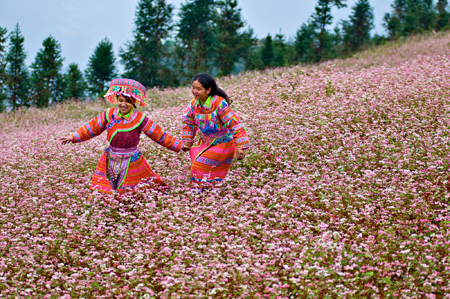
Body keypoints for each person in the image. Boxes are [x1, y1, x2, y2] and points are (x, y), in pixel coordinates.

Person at [61, 78, 184, 194]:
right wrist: (73, 137)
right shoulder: (109, 114)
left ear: (134, 102)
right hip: (110, 157)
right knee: (106, 189)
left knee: (130, 191)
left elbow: (159, 134)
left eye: (128, 101)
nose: (123, 104)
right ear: (116, 100)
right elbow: (92, 127)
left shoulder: (140, 118)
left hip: (131, 158)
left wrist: (179, 146)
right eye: (120, 100)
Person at [181, 73, 249, 191]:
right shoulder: (194, 104)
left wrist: (241, 146)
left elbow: (234, 124)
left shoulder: (219, 103)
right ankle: (208, 191)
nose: (194, 91)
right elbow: (189, 123)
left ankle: (202, 191)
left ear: (208, 90)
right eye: (193, 87)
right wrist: (187, 142)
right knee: (195, 156)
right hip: (206, 143)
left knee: (200, 163)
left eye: (198, 89)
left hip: (223, 144)